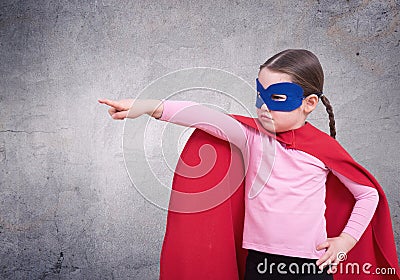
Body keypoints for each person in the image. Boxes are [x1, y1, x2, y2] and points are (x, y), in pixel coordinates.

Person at [98, 49, 399, 280]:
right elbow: (203, 115)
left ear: (309, 103)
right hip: (260, 259)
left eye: (278, 97)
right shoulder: (252, 137)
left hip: (310, 263)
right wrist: (149, 107)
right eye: (260, 95)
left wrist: (345, 241)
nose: (264, 106)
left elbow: (367, 194)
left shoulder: (324, 149)